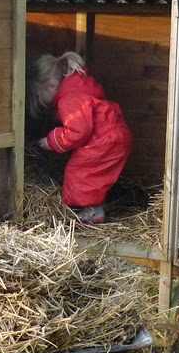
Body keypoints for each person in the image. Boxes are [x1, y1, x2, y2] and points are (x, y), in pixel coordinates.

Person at [27, 51, 133, 224]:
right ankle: (98, 204)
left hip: (104, 139)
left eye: (39, 96)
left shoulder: (69, 99)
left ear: (51, 85)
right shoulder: (78, 88)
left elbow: (78, 131)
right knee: (93, 172)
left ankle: (93, 211)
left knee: (79, 172)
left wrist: (52, 140)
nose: (40, 102)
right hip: (112, 135)